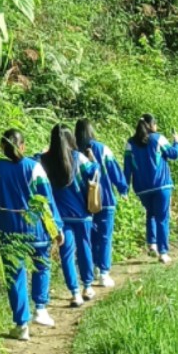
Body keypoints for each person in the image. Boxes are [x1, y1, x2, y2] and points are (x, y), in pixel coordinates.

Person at [0, 129, 64, 341]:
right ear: (23, 146)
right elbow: (47, 200)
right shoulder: (34, 167)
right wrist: (57, 229)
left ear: (2, 147)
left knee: (15, 275)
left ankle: (21, 324)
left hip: (7, 229)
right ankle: (41, 309)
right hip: (36, 229)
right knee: (42, 265)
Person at [35, 124, 100, 307]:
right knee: (85, 248)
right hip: (82, 214)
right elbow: (94, 171)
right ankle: (87, 285)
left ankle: (74, 293)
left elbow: (32, 161)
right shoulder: (77, 157)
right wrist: (93, 160)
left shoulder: (44, 160)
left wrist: (42, 152)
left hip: (60, 217)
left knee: (67, 254)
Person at [75, 119, 128, 287]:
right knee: (105, 237)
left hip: (83, 202)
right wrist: (123, 188)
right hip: (104, 199)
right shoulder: (101, 148)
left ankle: (92, 270)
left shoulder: (73, 150)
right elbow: (113, 169)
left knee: (88, 238)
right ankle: (104, 273)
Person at [124, 114, 178, 264]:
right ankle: (163, 252)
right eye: (155, 123)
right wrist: (177, 142)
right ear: (151, 125)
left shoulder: (130, 143)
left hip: (142, 189)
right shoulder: (158, 138)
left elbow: (127, 168)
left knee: (151, 214)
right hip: (161, 185)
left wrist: (125, 187)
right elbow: (174, 154)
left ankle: (152, 244)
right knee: (162, 218)